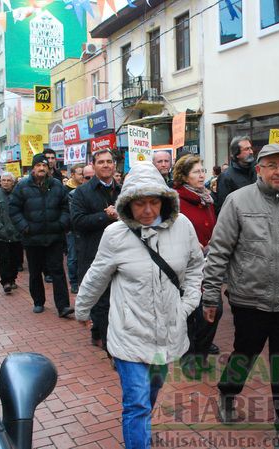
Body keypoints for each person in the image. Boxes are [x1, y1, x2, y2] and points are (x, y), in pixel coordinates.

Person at [75, 162, 204, 449]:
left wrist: (187, 304)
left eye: (154, 202)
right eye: (140, 203)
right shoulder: (115, 235)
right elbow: (97, 275)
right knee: (136, 402)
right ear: (127, 204)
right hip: (129, 331)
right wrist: (83, 309)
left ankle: (141, 426)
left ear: (164, 200)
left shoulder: (183, 226)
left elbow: (196, 266)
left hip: (167, 331)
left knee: (153, 388)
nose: (148, 211)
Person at [202, 144, 279, 449]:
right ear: (259, 169)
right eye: (272, 165)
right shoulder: (238, 202)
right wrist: (210, 296)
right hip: (249, 299)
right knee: (245, 354)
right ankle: (227, 391)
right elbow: (219, 251)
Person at [10, 152, 73, 317]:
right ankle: (38, 302)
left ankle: (63, 306)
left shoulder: (57, 185)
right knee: (35, 272)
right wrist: (25, 227)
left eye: (44, 165)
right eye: (38, 165)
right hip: (32, 238)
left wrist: (61, 224)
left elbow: (66, 208)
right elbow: (14, 209)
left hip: (54, 237)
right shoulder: (22, 186)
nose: (42, 168)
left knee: (58, 272)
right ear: (33, 169)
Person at [173, 155, 221, 373]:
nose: (202, 175)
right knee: (191, 314)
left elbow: (212, 226)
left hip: (209, 264)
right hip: (186, 267)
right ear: (184, 176)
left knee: (214, 310)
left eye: (203, 171)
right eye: (196, 172)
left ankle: (200, 353)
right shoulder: (175, 200)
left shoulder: (208, 199)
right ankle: (188, 358)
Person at [70, 149, 121, 349]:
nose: (106, 165)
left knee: (114, 299)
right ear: (93, 165)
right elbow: (77, 221)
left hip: (120, 252)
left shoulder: (123, 190)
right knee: (101, 300)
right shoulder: (82, 192)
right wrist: (104, 216)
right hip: (94, 252)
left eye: (109, 161)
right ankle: (106, 341)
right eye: (101, 162)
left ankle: (102, 333)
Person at [215, 135, 257, 213]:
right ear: (236, 153)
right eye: (247, 149)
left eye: (250, 148)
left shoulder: (258, 172)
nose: (251, 152)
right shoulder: (226, 177)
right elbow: (223, 209)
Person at [65, 163, 85, 294]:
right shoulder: (67, 191)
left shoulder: (88, 188)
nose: (83, 176)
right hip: (72, 229)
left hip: (84, 229)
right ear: (73, 175)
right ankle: (73, 282)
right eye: (80, 174)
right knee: (72, 257)